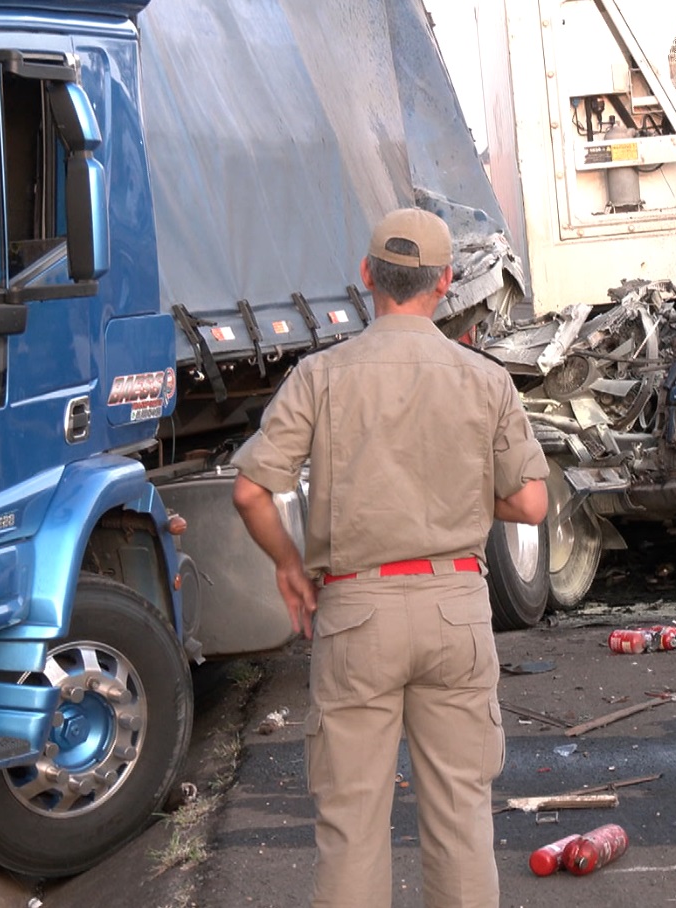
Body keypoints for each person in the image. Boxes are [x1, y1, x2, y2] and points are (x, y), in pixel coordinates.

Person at [230, 208, 550, 908]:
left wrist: (288, 564)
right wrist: (465, 501)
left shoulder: (320, 376)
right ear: (443, 287)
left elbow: (253, 491)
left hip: (356, 614)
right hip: (456, 609)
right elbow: (529, 504)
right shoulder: (484, 378)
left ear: (367, 275)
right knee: (463, 820)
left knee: (351, 826)